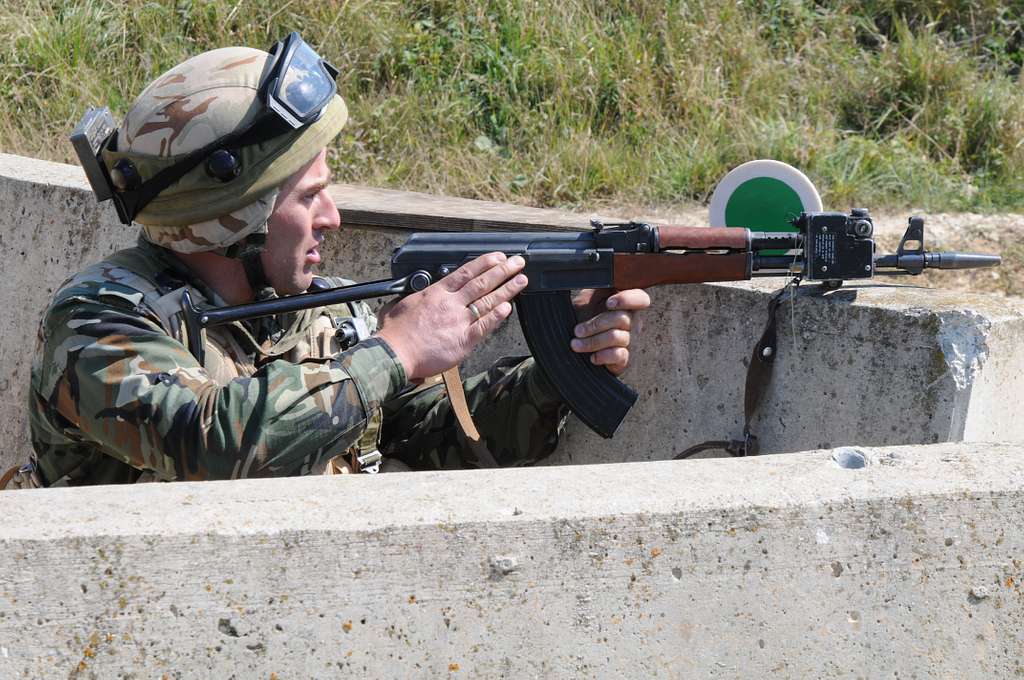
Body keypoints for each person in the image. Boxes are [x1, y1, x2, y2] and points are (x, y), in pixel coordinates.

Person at [13, 34, 650, 488]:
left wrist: (559, 369)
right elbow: (217, 447)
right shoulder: (98, 325)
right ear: (238, 216)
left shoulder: (327, 312)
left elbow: (437, 437)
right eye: (310, 196)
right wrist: (396, 351)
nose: (332, 218)